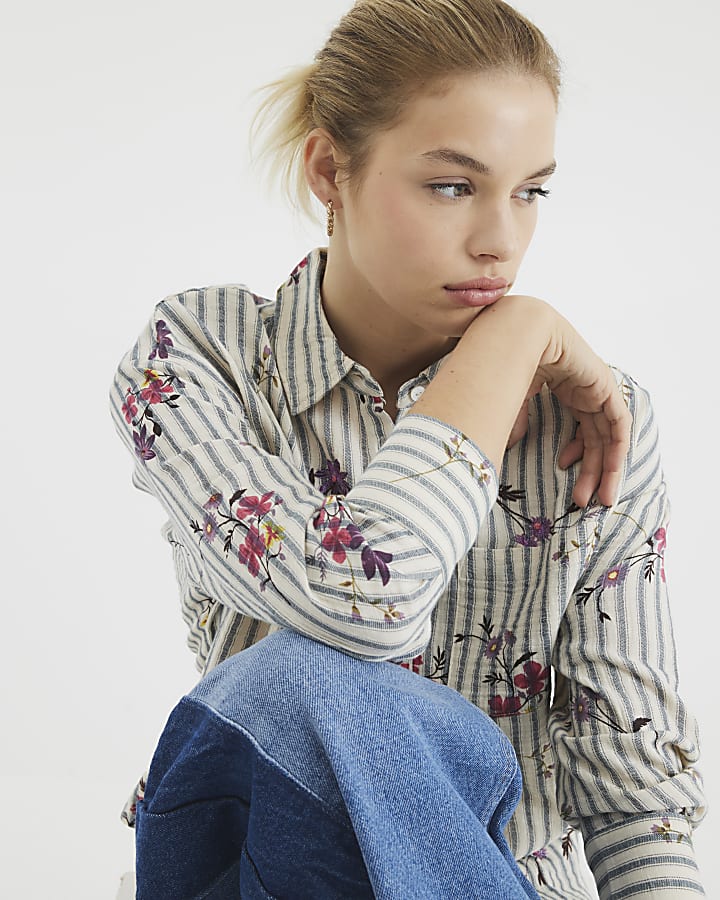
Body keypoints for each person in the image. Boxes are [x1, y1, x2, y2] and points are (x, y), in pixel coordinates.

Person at [110, 0, 705, 896]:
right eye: (452, 186)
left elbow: (635, 795)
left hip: (502, 877)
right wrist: (513, 339)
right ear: (331, 170)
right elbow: (364, 603)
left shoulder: (592, 425)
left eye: (530, 191)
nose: (502, 242)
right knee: (298, 675)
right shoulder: (197, 357)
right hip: (265, 866)